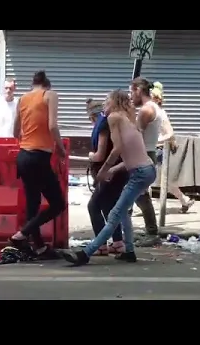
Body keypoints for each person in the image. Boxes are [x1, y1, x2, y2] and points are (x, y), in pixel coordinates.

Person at [63, 90, 156, 266]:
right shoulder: (129, 118)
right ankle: (128, 251)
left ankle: (85, 254)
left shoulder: (114, 117)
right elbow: (134, 153)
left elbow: (117, 149)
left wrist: (105, 170)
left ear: (114, 102)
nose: (104, 103)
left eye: (107, 100)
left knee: (114, 214)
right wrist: (113, 169)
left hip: (139, 173)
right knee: (123, 214)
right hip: (146, 169)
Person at [9, 70, 66, 259]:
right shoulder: (50, 95)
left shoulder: (23, 99)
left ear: (32, 85)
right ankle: (21, 235)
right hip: (39, 156)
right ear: (47, 85)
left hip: (23, 157)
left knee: (33, 204)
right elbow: (52, 126)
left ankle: (38, 247)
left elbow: (15, 130)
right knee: (58, 203)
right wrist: (60, 148)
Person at [86, 99, 128, 255]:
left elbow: (99, 155)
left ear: (91, 116)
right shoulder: (109, 123)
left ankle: (101, 245)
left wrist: (91, 156)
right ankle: (117, 243)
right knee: (109, 206)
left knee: (94, 206)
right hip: (117, 172)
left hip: (109, 173)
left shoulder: (103, 125)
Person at [151, 82, 195, 213]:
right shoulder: (152, 111)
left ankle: (140, 207)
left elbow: (170, 133)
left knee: (144, 178)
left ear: (157, 99)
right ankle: (185, 200)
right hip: (155, 149)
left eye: (151, 96)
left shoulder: (160, 113)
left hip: (157, 150)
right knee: (165, 181)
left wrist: (154, 141)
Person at [130, 77, 161, 248]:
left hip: (143, 153)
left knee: (140, 195)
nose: (130, 96)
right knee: (135, 194)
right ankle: (127, 232)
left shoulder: (146, 110)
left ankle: (152, 232)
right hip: (147, 152)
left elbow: (137, 136)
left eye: (131, 92)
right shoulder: (153, 107)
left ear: (138, 90)